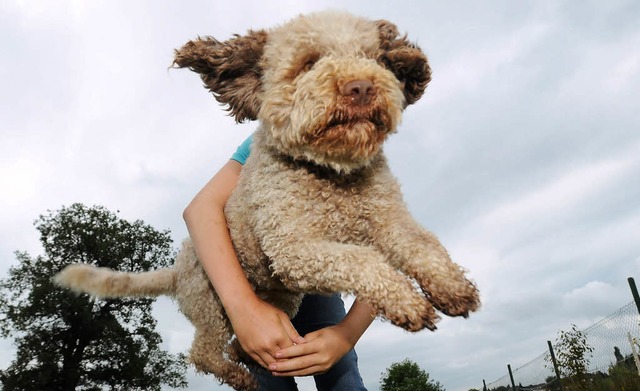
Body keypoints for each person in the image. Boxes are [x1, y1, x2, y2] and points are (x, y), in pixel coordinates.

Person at [183, 133, 375, 390]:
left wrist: (345, 336)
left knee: (344, 381)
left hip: (317, 285)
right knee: (267, 377)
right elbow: (200, 209)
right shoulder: (274, 133)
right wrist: (245, 309)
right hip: (257, 282)